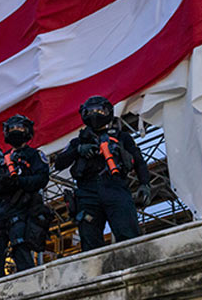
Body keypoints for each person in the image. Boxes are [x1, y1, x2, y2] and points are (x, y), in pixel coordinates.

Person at [54, 95, 151, 251]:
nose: (95, 114)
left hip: (116, 188)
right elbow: (59, 163)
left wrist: (145, 183)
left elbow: (139, 161)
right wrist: (78, 150)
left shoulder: (122, 137)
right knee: (90, 243)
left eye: (99, 110)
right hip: (87, 193)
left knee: (129, 237)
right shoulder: (77, 142)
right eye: (90, 111)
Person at [0, 115, 49, 280]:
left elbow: (42, 178)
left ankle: (30, 286)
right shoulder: (0, 160)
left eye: (19, 128)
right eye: (12, 129)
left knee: (21, 251)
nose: (15, 132)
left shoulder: (33, 155)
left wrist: (19, 182)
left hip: (20, 209)